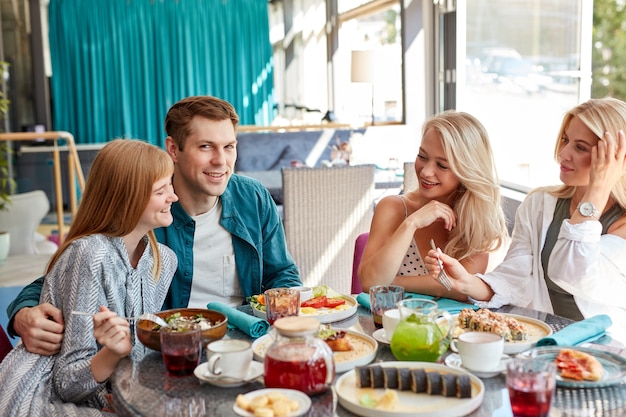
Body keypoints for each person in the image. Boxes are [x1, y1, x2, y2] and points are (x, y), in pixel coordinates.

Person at [8, 95, 301, 356]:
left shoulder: (253, 197)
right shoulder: (148, 206)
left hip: (246, 341)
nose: (221, 161)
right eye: (205, 147)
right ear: (173, 149)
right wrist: (22, 314)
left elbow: (283, 274)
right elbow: (71, 269)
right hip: (169, 350)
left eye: (229, 147)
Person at [424, 97, 626, 343]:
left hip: (606, 349)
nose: (563, 154)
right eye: (565, 140)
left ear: (615, 159)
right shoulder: (539, 204)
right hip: (542, 339)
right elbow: (516, 276)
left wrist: (598, 190)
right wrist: (467, 283)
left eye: (580, 147)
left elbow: (573, 273)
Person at [0, 139, 178, 415]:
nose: (173, 197)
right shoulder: (88, 254)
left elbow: (137, 358)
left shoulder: (163, 261)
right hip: (40, 400)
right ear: (126, 197)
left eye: (170, 185)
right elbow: (67, 384)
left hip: (111, 396)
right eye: (161, 190)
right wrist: (113, 352)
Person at [358, 110, 509, 300]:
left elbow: (462, 290)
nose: (426, 172)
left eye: (442, 165)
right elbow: (369, 283)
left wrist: (390, 282)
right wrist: (411, 223)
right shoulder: (393, 207)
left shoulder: (476, 221)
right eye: (422, 156)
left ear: (468, 170)